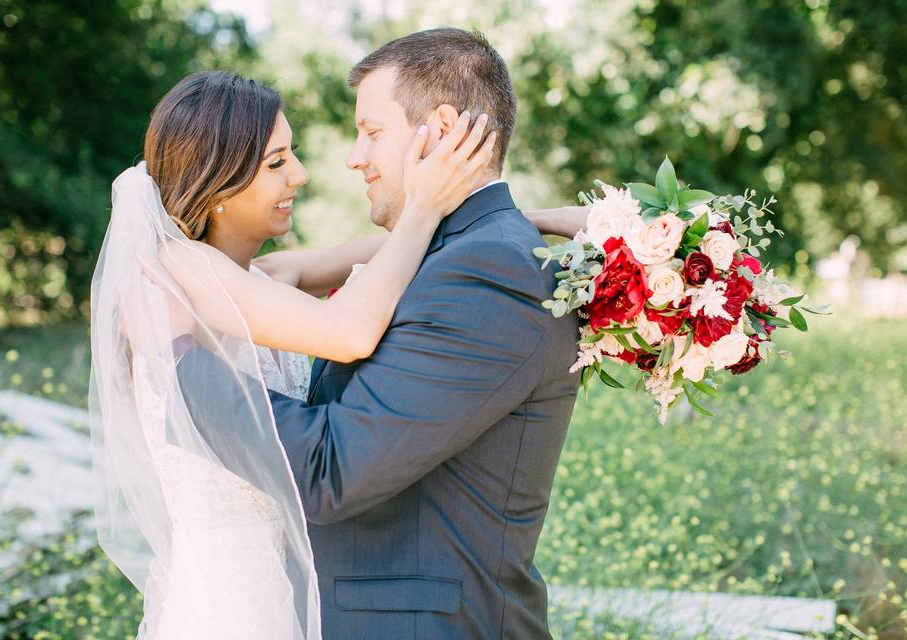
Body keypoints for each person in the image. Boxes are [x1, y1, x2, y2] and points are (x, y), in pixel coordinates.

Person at [90, 63, 585, 639]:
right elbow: (349, 333)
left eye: (291, 154)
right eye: (276, 163)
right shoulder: (179, 273)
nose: (300, 174)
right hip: (234, 600)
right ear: (216, 182)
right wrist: (424, 205)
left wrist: (518, 216)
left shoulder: (260, 277)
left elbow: (374, 251)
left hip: (298, 589)